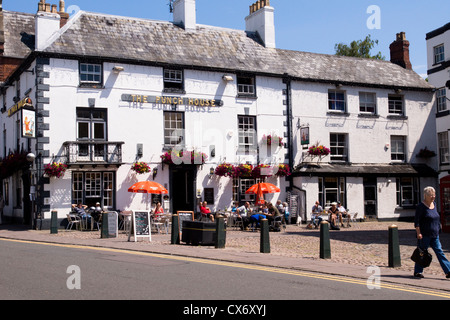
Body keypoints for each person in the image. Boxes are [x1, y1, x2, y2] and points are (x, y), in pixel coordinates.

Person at [413, 186, 450, 279]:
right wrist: (418, 233)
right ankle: (418, 271)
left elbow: (436, 218)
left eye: (434, 194)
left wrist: (439, 228)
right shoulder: (420, 207)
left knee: (440, 252)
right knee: (422, 253)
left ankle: (448, 271)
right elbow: (417, 221)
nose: (433, 197)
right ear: (425, 196)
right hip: (424, 235)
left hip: (435, 234)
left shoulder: (434, 204)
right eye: (431, 195)